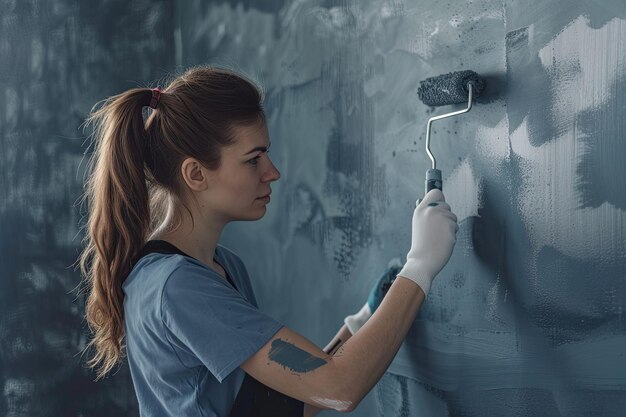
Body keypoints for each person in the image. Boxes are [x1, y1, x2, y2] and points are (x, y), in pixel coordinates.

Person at [76, 65, 458, 416]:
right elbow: (339, 387)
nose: (272, 172)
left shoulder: (217, 269)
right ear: (195, 174)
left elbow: (289, 404)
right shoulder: (179, 288)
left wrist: (361, 323)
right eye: (253, 159)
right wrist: (420, 265)